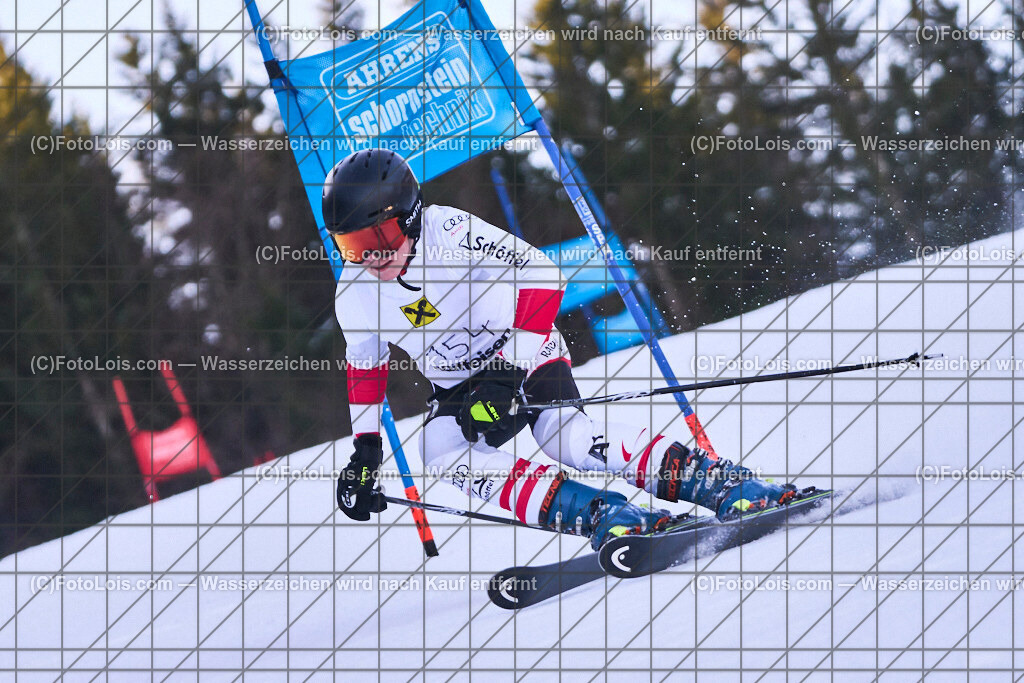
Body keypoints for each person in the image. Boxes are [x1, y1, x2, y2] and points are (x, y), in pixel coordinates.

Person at [330, 148, 801, 549]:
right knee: (440, 450)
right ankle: (601, 514)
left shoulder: (449, 231)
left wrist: (509, 373)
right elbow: (366, 368)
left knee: (562, 435)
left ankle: (721, 483)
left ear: (409, 216)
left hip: (524, 348)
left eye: (380, 239)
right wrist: (366, 453)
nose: (372, 258)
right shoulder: (356, 294)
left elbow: (544, 276)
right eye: (353, 246)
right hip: (458, 385)